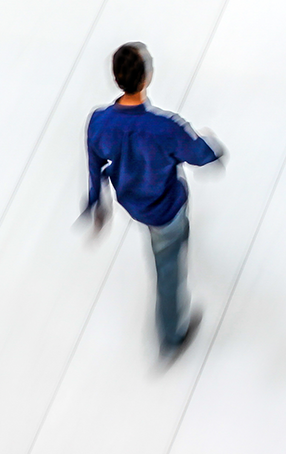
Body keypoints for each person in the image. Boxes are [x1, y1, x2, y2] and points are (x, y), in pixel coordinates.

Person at [85, 42, 224, 358]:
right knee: (169, 268)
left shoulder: (99, 122)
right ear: (146, 77)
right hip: (166, 209)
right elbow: (200, 154)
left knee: (167, 246)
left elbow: (95, 164)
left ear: (117, 79)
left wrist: (96, 202)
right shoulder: (165, 127)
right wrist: (214, 147)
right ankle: (172, 336)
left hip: (133, 204)